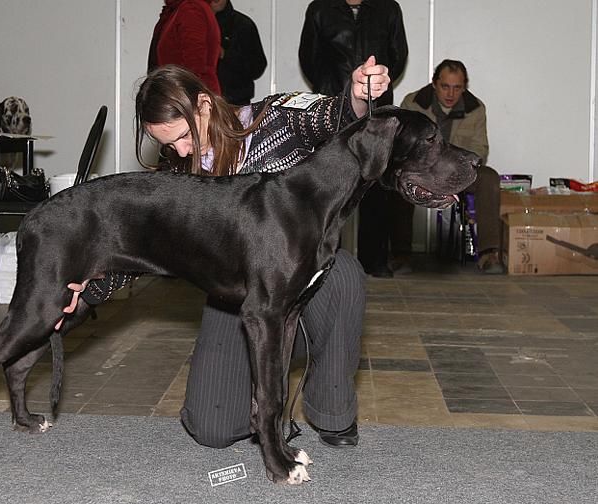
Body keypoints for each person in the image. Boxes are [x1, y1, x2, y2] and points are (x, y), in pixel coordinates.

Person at [59, 60, 391, 448]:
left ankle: (331, 409)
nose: (181, 150)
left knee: (344, 274)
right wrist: (86, 287)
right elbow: (143, 245)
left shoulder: (277, 117)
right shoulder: (181, 174)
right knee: (213, 429)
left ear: (204, 104)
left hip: (307, 276)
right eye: (169, 145)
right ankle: (274, 359)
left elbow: (331, 118)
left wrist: (356, 97)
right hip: (238, 300)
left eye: (184, 136)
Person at [298, 0, 408, 278]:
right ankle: (325, 260)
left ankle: (375, 259)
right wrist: (335, 89)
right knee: (328, 186)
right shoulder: (319, 9)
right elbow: (309, 60)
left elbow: (397, 58)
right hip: (332, 107)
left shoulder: (389, 9)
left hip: (376, 108)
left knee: (376, 183)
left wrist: (375, 86)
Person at [397, 59, 503, 274]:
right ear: (434, 84)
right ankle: (400, 253)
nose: (450, 94)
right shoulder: (412, 104)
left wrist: (455, 168)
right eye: (445, 86)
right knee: (399, 179)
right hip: (422, 171)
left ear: (464, 87)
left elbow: (480, 150)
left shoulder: (476, 109)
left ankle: (489, 254)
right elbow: (401, 145)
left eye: (457, 87)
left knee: (489, 177)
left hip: (458, 172)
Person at [148, 0, 222, 95]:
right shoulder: (183, 9)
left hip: (190, 96)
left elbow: (194, 66)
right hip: (187, 94)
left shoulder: (191, 9)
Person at [209, 0, 267, 106]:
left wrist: (225, 55)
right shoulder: (192, 24)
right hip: (199, 99)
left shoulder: (243, 25)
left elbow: (257, 67)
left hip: (235, 101)